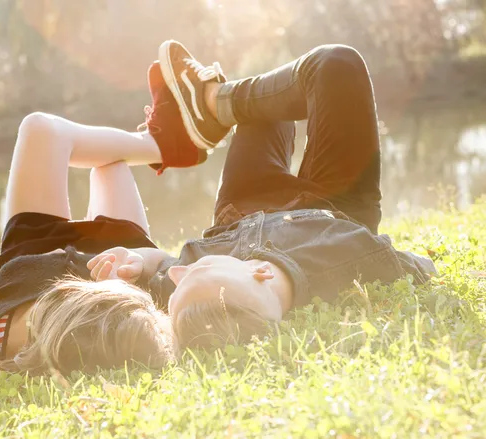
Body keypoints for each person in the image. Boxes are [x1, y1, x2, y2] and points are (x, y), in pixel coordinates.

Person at [88, 41, 437, 349]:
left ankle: (213, 108)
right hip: (337, 205)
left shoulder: (202, 290)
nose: (179, 272)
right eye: (192, 272)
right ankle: (212, 102)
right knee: (336, 63)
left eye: (174, 286)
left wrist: (136, 261)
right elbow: (421, 268)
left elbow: (161, 265)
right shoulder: (351, 259)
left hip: (242, 209)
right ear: (259, 272)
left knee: (263, 109)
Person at [0, 62, 206, 375]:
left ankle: (162, 144)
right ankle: (166, 142)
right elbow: (166, 263)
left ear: (68, 296)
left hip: (32, 249)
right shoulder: (130, 313)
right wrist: (136, 260)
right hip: (113, 251)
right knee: (111, 165)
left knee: (40, 127)